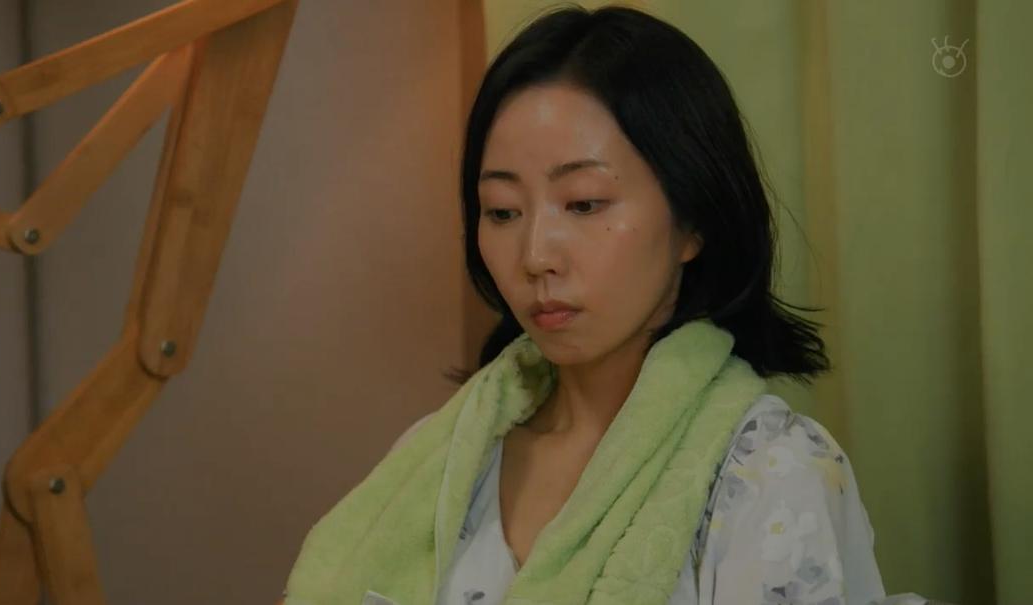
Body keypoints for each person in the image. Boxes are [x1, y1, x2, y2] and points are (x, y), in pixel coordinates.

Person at [281, 6, 925, 605]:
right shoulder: (440, 459)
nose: (535, 255)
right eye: (502, 211)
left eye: (584, 203)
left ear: (693, 219)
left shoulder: (769, 471)